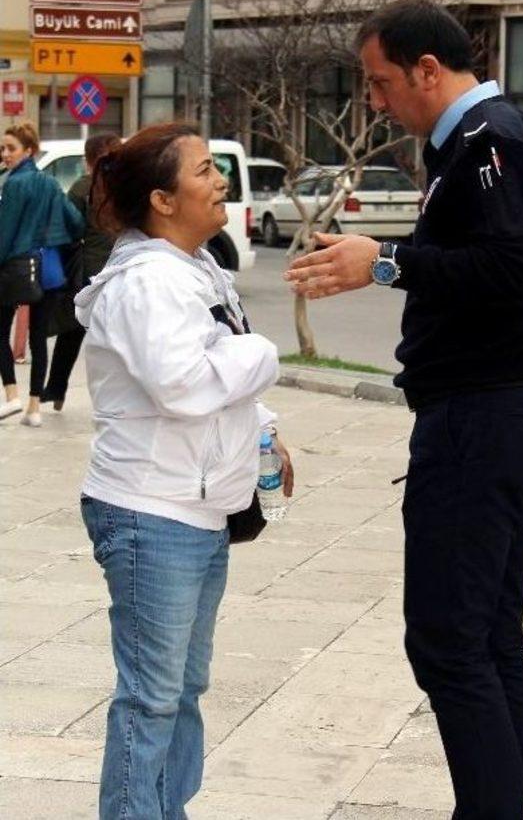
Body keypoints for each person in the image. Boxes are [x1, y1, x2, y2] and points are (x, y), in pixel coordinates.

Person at [285, 0, 523, 820]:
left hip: (484, 415)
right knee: (487, 637)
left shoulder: (493, 143)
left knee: (448, 641)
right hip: (496, 410)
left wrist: (385, 264)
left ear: (427, 71)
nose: (375, 102)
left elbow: (507, 269)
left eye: (380, 83)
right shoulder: (479, 143)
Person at [75, 122, 292, 820]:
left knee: (182, 689)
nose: (220, 180)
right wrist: (262, 352)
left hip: (196, 509)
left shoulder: (196, 267)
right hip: (149, 511)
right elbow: (185, 383)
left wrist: (264, 431)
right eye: (204, 170)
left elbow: (216, 377)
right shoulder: (147, 282)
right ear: (164, 200)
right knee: (150, 696)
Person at [0, 120, 83, 426]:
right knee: (38, 338)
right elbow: (75, 222)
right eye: (3, 148)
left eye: (11, 148)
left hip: (15, 266)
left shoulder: (12, 184)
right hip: (48, 268)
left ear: (29, 151)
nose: (5, 154)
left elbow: (5, 232)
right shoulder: (50, 183)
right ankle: (34, 409)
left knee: (0, 332)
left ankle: (12, 396)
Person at [41, 132, 120, 410]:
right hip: (120, 271)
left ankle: (56, 390)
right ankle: (115, 398)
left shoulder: (81, 188)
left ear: (88, 159)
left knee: (71, 332)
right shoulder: (125, 187)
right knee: (115, 340)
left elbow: (70, 228)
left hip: (88, 270)